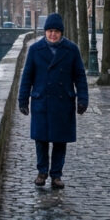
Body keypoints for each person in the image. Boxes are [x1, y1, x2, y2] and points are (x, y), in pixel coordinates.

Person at [17, 13, 88, 189]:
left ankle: (56, 175)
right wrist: (23, 100)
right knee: (40, 140)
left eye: (56, 31)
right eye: (49, 31)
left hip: (63, 102)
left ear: (61, 32)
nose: (53, 35)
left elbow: (80, 76)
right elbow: (27, 77)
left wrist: (83, 99)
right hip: (41, 101)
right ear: (45, 32)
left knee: (59, 141)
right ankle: (42, 172)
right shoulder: (35, 50)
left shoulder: (71, 50)